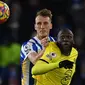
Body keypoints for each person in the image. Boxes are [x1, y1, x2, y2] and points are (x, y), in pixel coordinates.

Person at [20, 9, 56, 85]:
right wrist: (45, 49)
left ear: (51, 26)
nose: (42, 27)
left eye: (45, 23)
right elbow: (36, 62)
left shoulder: (56, 43)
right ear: (35, 26)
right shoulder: (27, 45)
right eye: (39, 23)